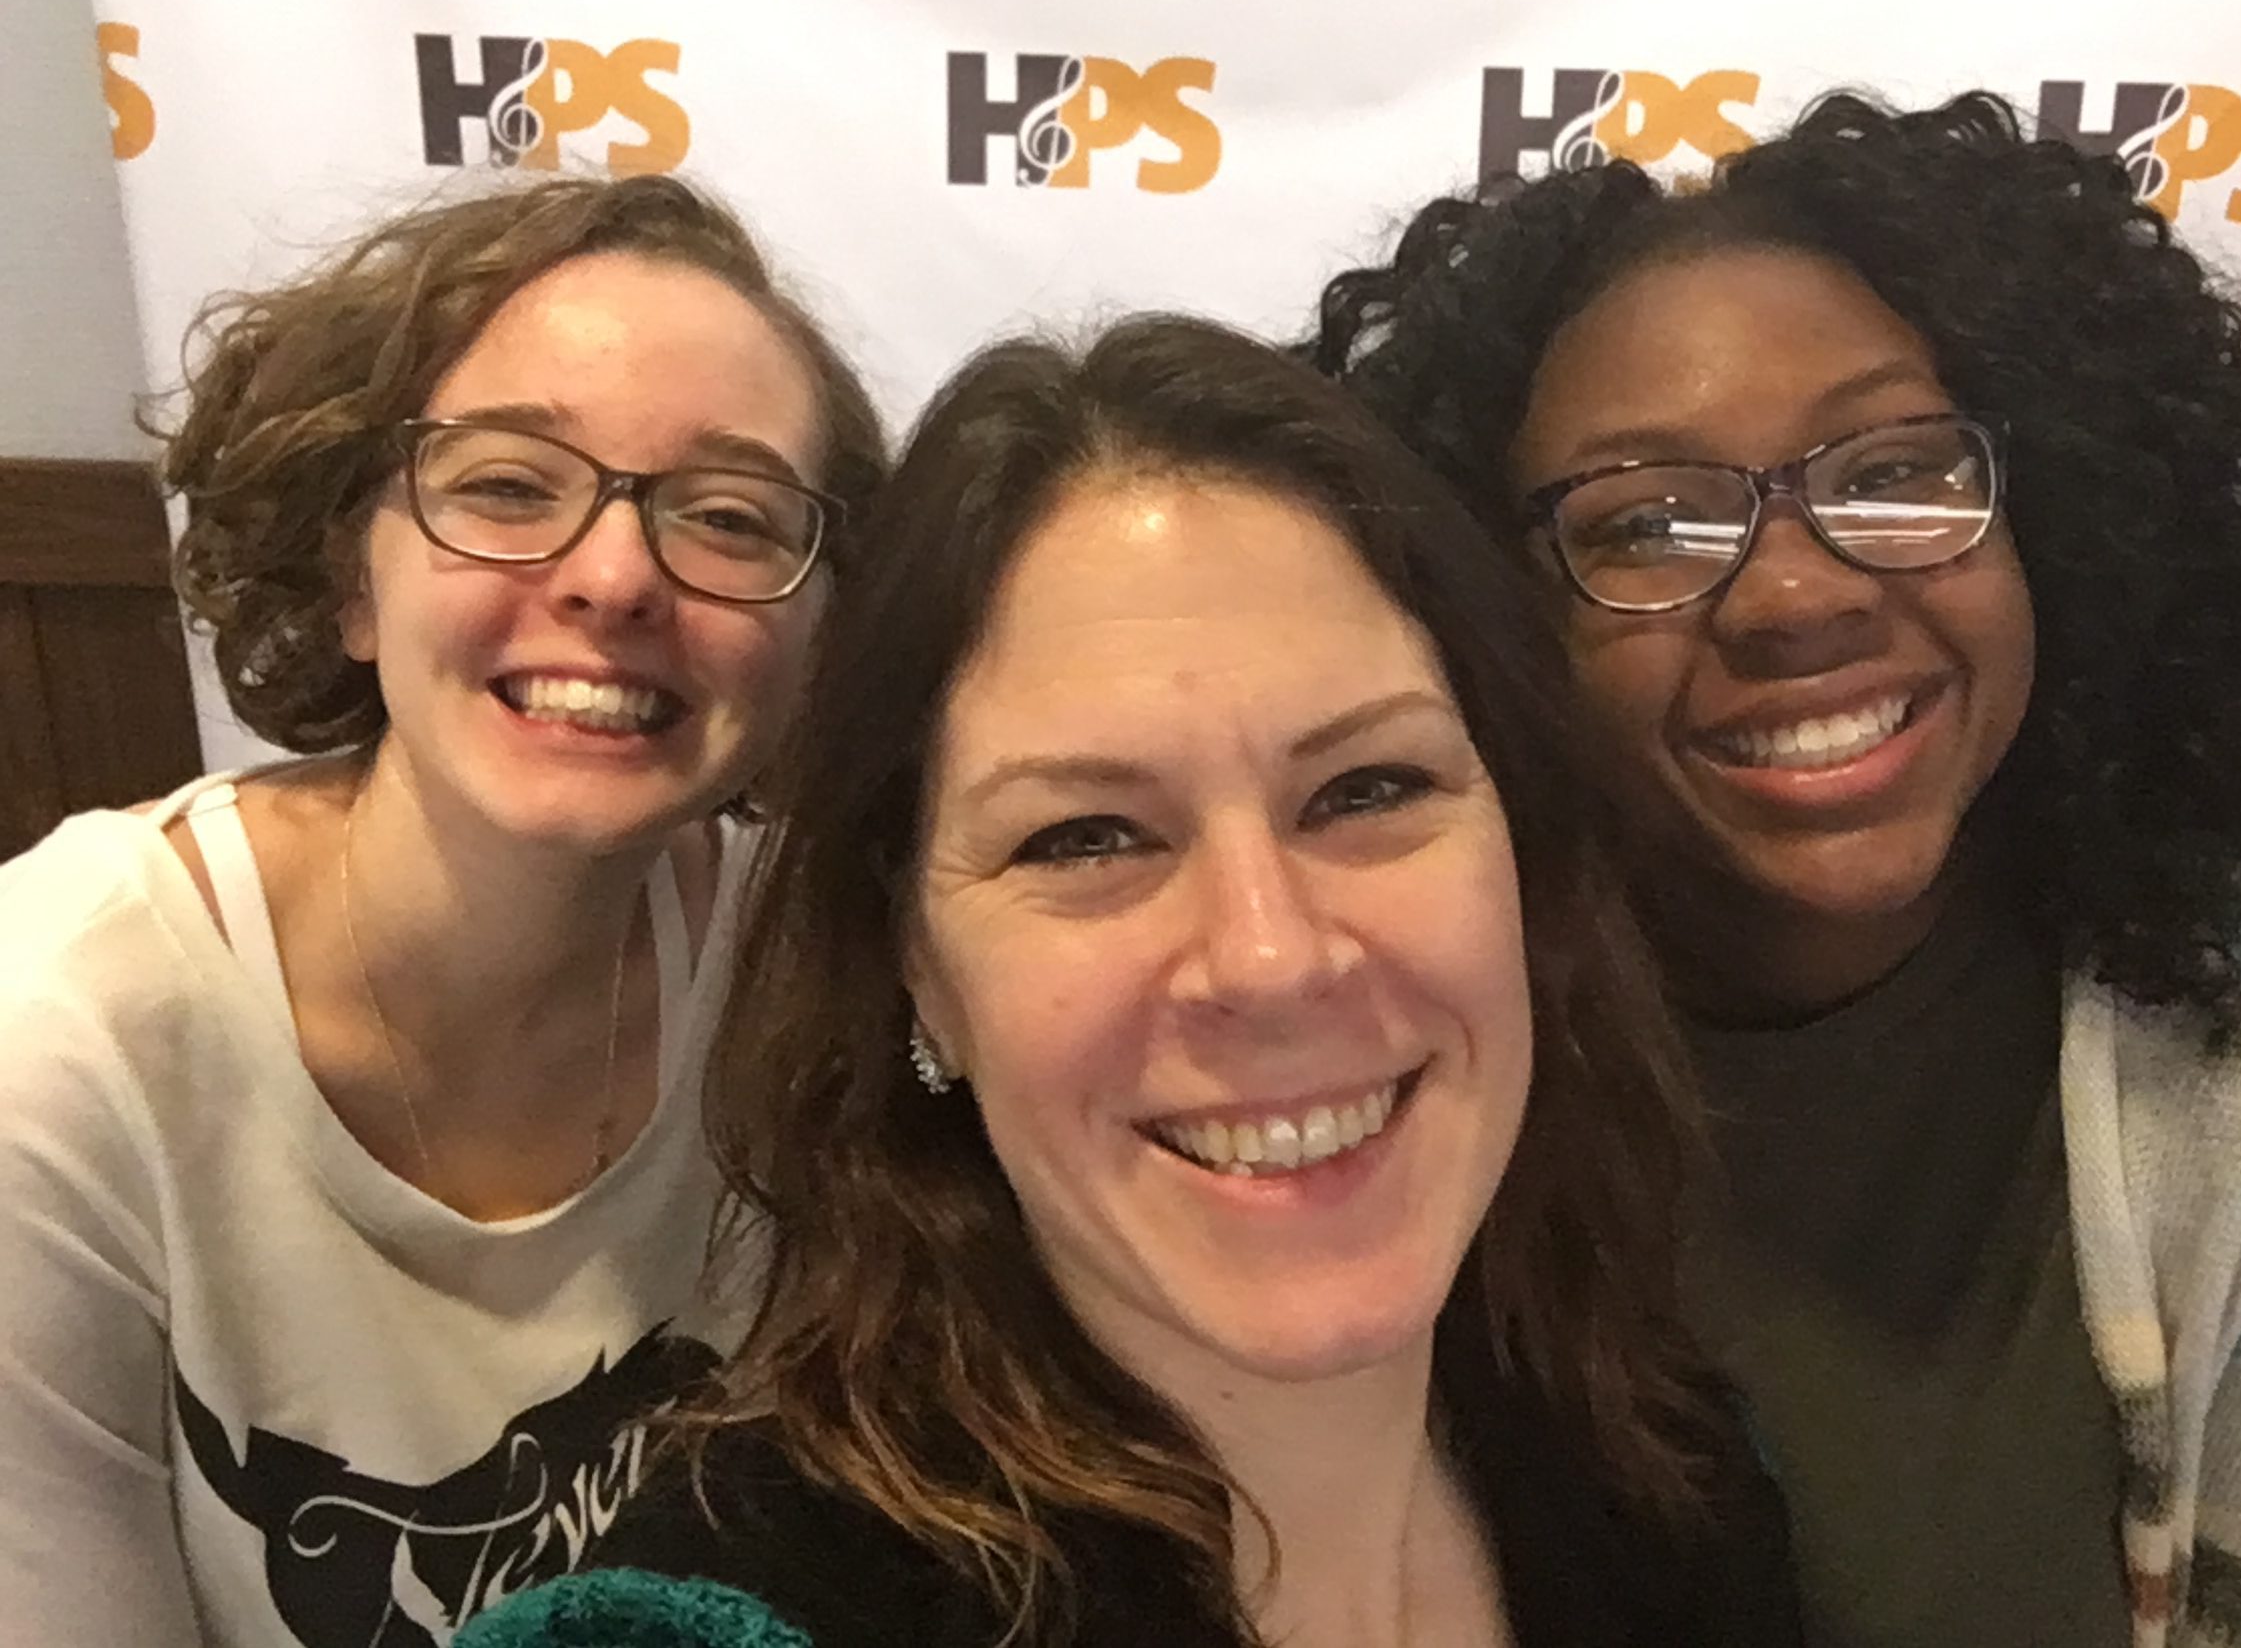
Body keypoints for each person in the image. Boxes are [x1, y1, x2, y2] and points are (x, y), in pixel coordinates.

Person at [1306, 91, 2241, 1648]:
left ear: (2066, 526)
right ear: (1492, 611)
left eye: (1896, 474)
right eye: (1651, 524)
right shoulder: (1342, 1039)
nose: (1797, 595)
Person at [453, 318, 1801, 1647]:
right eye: (1086, 837)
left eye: (1365, 789)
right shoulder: (717, 1620)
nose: (1270, 957)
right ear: (914, 969)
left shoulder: (1669, 1489)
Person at [0, 173, 888, 1648]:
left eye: (729, 517)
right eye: (505, 485)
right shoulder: (52, 1051)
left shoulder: (821, 986)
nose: (614, 577)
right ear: (353, 575)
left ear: (816, 633)